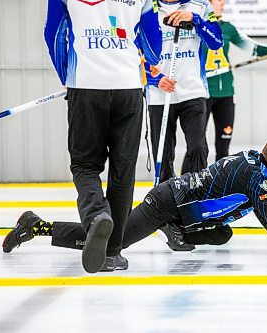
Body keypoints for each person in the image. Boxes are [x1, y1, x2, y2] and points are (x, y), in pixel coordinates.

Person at [2, 138, 267, 270]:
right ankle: (36, 225)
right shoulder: (255, 177)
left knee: (222, 234)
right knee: (107, 244)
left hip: (178, 204)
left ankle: (178, 229)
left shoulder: (253, 163)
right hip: (165, 204)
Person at [36, 0, 162, 273]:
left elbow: (54, 33)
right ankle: (112, 252)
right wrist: (148, 59)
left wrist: (65, 74)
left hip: (86, 85)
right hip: (128, 87)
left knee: (85, 164)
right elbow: (153, 45)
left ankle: (96, 216)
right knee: (123, 170)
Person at [204, 0, 267, 161]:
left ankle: (219, 183)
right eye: (219, 0)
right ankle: (190, 182)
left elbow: (252, 47)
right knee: (198, 144)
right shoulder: (196, 26)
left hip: (226, 92)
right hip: (202, 92)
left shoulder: (227, 28)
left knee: (223, 145)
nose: (223, 3)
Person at [146, 0, 223, 184]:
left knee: (197, 148)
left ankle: (196, 196)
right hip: (159, 95)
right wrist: (155, 79)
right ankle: (165, 199)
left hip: (193, 91)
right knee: (162, 155)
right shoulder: (147, 7)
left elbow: (216, 42)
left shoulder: (200, 5)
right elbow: (134, 51)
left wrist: (195, 19)